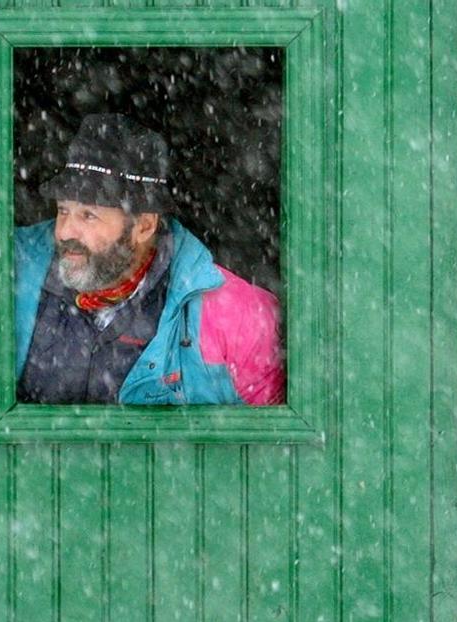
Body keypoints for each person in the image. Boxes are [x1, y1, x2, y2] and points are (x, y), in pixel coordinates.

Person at [15, 113, 284, 405]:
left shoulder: (238, 317)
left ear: (144, 225)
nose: (65, 231)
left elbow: (268, 447)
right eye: (63, 210)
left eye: (88, 215)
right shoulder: (10, 275)